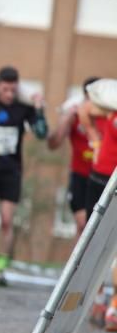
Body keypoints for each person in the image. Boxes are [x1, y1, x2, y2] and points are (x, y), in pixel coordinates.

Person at [0, 66, 48, 285]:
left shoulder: (22, 108)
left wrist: (39, 108)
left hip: (12, 170)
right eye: (5, 90)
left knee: (6, 220)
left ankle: (0, 268)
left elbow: (41, 133)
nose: (9, 95)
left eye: (13, 90)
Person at [79, 81, 117, 331]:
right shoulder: (111, 105)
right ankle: (98, 298)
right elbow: (85, 109)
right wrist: (94, 138)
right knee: (95, 240)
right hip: (99, 177)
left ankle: (113, 305)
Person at [46, 77, 101, 237]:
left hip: (101, 177)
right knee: (83, 224)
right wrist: (66, 118)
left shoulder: (106, 117)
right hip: (80, 176)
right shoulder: (76, 115)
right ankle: (79, 262)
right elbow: (54, 144)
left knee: (96, 226)